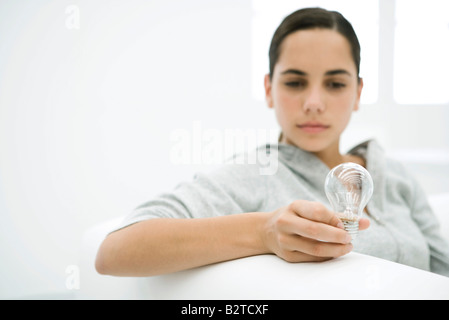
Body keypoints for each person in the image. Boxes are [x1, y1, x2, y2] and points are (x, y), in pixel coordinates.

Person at [95, 7, 449, 277]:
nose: (313, 102)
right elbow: (114, 252)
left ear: (358, 92)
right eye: (295, 83)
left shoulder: (394, 175)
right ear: (269, 89)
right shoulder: (254, 174)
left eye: (335, 84)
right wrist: (263, 232)